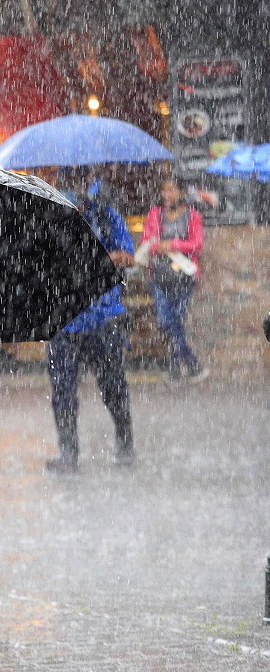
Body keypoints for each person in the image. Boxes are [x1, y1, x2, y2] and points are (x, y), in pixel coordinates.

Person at [45, 174, 137, 474]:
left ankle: (125, 443)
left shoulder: (107, 216)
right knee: (62, 392)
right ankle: (68, 453)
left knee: (112, 386)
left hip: (102, 317)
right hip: (64, 323)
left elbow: (128, 257)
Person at [142, 178, 207, 383]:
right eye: (164, 191)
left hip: (184, 276)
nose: (168, 194)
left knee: (175, 321)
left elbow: (197, 244)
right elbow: (147, 241)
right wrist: (157, 247)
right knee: (165, 320)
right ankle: (192, 364)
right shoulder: (155, 215)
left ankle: (175, 369)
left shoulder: (193, 216)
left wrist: (174, 244)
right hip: (160, 275)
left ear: (180, 192)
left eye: (172, 190)